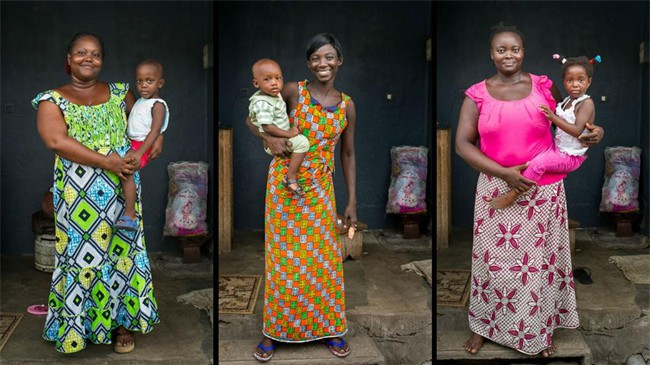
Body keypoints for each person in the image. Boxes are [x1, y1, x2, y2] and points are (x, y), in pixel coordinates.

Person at [455, 23, 604, 357]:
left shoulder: (542, 86)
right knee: (490, 263)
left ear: (524, 52)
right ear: (491, 53)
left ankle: (540, 328)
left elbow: (573, 120)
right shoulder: (476, 94)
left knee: (539, 264)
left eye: (515, 49)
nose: (509, 55)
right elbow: (463, 145)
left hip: (542, 187)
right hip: (496, 183)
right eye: (501, 49)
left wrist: (597, 131)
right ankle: (483, 326)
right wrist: (505, 173)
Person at [33, 32, 163, 354]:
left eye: (95, 54)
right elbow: (56, 141)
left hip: (123, 192)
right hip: (77, 197)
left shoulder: (122, 93)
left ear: (102, 60)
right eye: (81, 53)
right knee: (80, 258)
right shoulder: (52, 99)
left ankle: (120, 325)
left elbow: (146, 120)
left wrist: (158, 138)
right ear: (69, 58)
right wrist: (106, 161)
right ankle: (78, 327)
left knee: (122, 257)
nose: (88, 58)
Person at [244, 33, 356, 362]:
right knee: (283, 261)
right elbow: (252, 119)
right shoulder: (293, 90)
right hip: (283, 186)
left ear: (339, 62)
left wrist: (351, 201)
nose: (323, 63)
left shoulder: (347, 104)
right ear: (309, 63)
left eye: (329, 57)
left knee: (324, 262)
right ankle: (275, 332)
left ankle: (330, 329)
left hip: (321, 189)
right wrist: (267, 137)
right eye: (316, 58)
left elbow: (348, 154)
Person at [488, 55, 598, 209]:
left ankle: (512, 196)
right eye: (570, 80)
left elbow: (577, 131)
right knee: (531, 160)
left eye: (581, 80)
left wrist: (552, 117)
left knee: (538, 164)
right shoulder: (567, 101)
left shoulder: (586, 103)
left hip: (570, 155)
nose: (575, 85)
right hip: (559, 148)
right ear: (564, 81)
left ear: (589, 81)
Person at [115, 59, 169, 230]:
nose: (143, 85)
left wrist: (139, 153)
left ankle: (130, 214)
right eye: (139, 81)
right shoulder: (140, 101)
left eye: (149, 81)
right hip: (133, 143)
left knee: (127, 169)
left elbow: (155, 130)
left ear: (160, 83)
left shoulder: (158, 105)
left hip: (142, 145)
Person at [248, 58, 310, 198]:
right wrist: (288, 133)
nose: (274, 83)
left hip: (317, 179)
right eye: (267, 79)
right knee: (303, 143)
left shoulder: (274, 96)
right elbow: (267, 127)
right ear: (256, 83)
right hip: (278, 142)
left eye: (278, 78)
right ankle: (291, 177)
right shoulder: (263, 103)